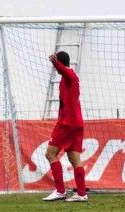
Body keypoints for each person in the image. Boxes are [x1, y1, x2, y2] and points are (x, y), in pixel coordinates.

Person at [42, 51, 88, 202]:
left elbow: (63, 70)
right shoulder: (67, 77)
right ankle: (81, 194)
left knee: (50, 154)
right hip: (76, 123)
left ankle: (60, 191)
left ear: (60, 63)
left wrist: (56, 63)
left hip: (67, 124)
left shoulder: (69, 74)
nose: (56, 69)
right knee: (74, 157)